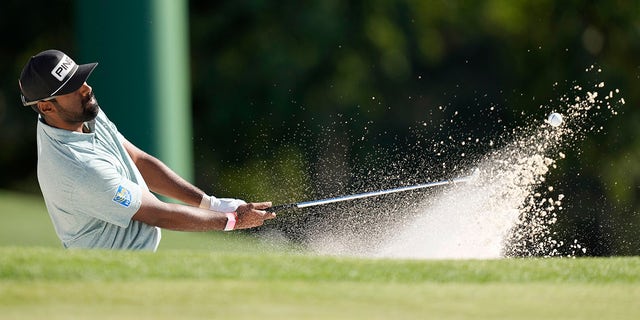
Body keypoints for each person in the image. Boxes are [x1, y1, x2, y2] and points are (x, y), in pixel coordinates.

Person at [18, 49, 275, 251]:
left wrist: (211, 203)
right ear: (46, 107)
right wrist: (233, 220)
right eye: (71, 88)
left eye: (81, 79)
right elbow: (158, 214)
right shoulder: (77, 169)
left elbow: (138, 160)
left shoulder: (81, 114)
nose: (86, 89)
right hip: (110, 280)